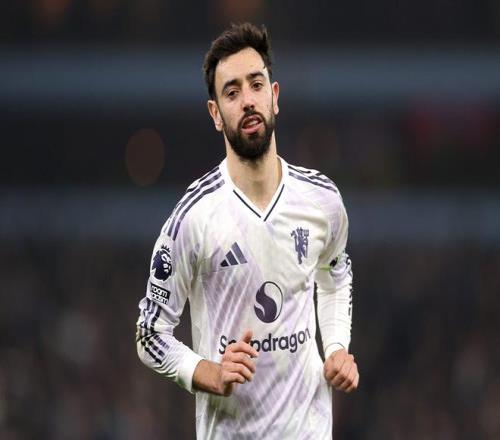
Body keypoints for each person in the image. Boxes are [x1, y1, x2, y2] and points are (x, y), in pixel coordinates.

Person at [136, 22, 358, 439]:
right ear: (215, 114)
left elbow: (335, 276)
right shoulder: (193, 219)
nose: (248, 100)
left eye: (256, 85)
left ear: (275, 96)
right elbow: (150, 334)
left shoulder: (322, 200)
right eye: (232, 92)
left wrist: (336, 348)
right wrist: (209, 373)